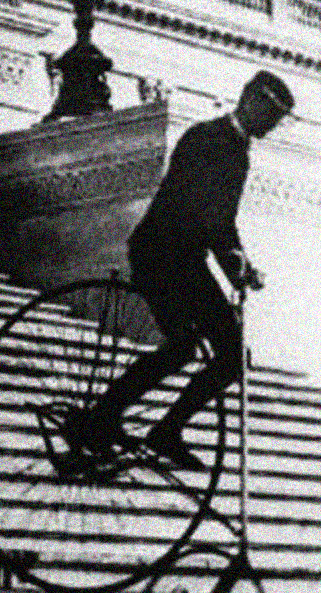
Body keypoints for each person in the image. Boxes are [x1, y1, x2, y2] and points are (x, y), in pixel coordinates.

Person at [81, 69, 295, 470]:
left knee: (226, 356)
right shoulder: (207, 138)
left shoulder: (236, 148)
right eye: (270, 113)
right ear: (249, 99)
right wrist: (234, 264)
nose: (271, 125)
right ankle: (107, 419)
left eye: (277, 119)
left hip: (185, 259)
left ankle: (152, 428)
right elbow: (203, 214)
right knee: (189, 348)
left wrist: (239, 262)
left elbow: (221, 221)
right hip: (162, 255)